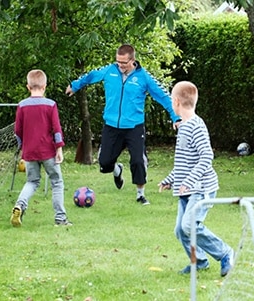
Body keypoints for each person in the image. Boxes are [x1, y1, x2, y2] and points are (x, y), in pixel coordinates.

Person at [65, 44, 180, 205]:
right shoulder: (110, 70)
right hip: (112, 126)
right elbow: (91, 75)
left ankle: (140, 194)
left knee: (138, 161)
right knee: (104, 164)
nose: (120, 66)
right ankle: (116, 169)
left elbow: (163, 97)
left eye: (124, 63)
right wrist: (75, 85)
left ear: (132, 60)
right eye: (118, 62)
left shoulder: (144, 77)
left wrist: (176, 117)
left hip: (134, 127)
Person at [158, 81, 234, 276]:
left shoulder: (196, 126)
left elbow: (207, 156)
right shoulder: (183, 126)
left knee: (189, 225)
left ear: (175, 102)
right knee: (180, 230)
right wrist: (170, 179)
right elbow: (184, 163)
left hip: (201, 188)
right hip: (187, 189)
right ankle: (199, 262)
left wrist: (189, 182)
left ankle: (225, 253)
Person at [10, 69, 72, 227]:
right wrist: (59, 149)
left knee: (31, 182)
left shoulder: (22, 106)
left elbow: (17, 130)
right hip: (48, 151)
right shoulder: (50, 105)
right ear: (44, 86)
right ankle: (60, 218)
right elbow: (56, 129)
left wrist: (23, 147)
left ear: (28, 87)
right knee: (56, 182)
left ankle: (20, 205)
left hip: (30, 151)